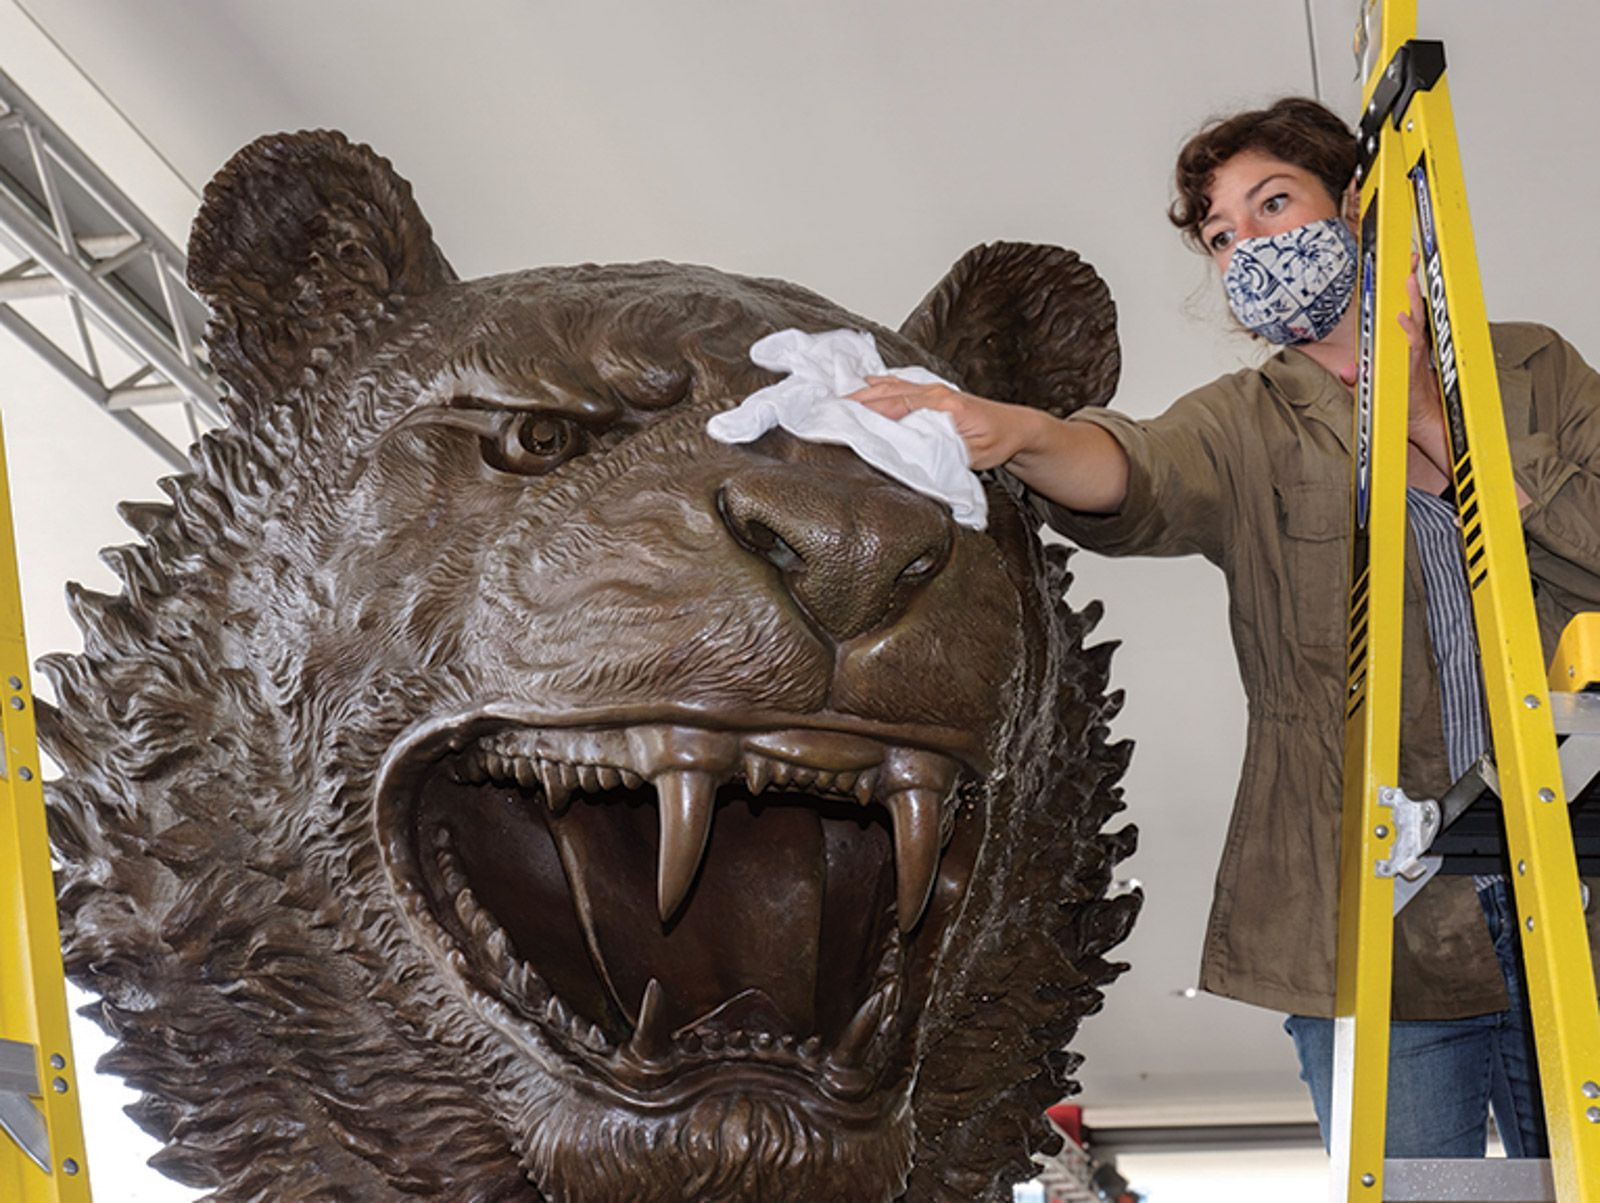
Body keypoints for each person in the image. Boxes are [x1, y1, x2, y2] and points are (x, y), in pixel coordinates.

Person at [852, 96, 1600, 1159]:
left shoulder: (1531, 371)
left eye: (1272, 203)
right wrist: (1013, 432)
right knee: (1431, 1192)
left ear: (1358, 206)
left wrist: (1429, 411)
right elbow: (1132, 472)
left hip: (1570, 900)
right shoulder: (1244, 422)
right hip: (1378, 926)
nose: (1248, 244)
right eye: (1220, 235)